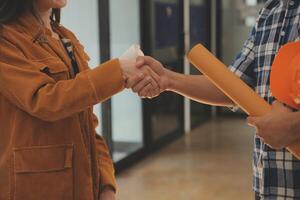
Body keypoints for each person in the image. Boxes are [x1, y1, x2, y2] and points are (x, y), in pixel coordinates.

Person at [134, 0, 300, 199]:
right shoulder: (272, 11)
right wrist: (168, 80)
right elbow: (232, 87)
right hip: (269, 189)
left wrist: (295, 126)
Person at [0, 0, 160, 200]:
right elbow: (45, 101)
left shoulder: (66, 38)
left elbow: (87, 123)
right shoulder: (6, 39)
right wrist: (118, 71)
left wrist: (106, 186)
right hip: (33, 189)